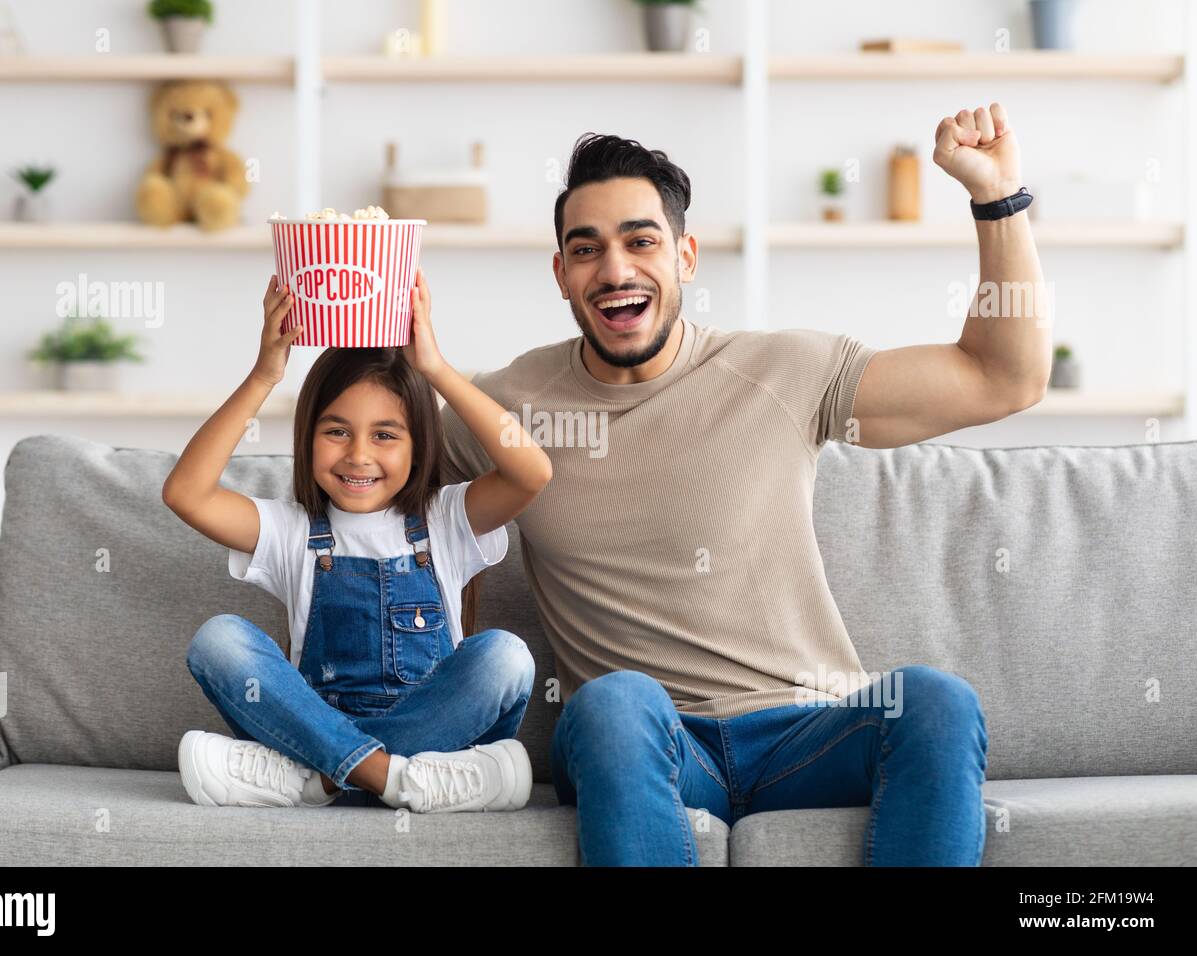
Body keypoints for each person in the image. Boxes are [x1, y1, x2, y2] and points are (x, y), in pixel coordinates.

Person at [441, 105, 1049, 862]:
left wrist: (998, 200)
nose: (616, 270)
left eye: (641, 241)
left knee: (934, 700)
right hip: (649, 742)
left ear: (686, 257)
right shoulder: (501, 408)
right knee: (612, 701)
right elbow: (375, 486)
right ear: (561, 274)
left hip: (806, 734)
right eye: (587, 249)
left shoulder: (785, 372)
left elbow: (1004, 378)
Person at [163, 267, 553, 814]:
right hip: (350, 741)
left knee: (505, 657)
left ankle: (319, 781)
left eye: (386, 435)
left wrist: (435, 368)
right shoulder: (291, 531)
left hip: (426, 734)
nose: (359, 455)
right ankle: (389, 777)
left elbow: (530, 471)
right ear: (308, 436)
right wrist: (262, 376)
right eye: (337, 430)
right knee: (219, 640)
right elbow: (186, 492)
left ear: (419, 446)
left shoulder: (444, 520)